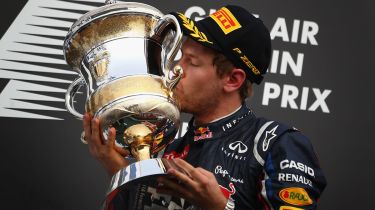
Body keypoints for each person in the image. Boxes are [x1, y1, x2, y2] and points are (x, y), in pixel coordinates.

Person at [83, 5, 327, 210]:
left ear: (232, 80)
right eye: (180, 57)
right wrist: (119, 169)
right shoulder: (167, 147)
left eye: (192, 62)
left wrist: (221, 207)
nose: (176, 69)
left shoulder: (276, 144)